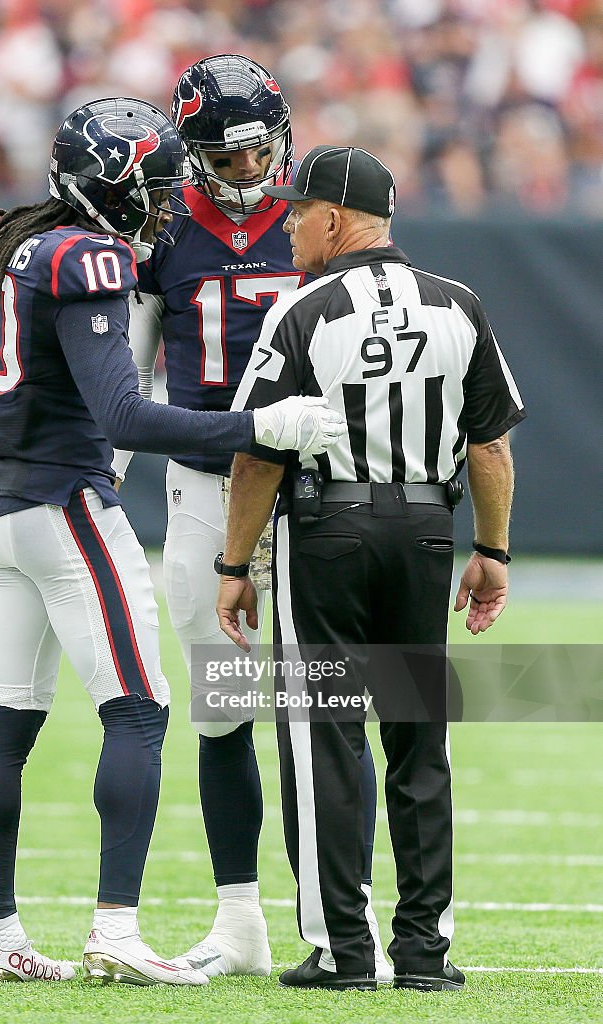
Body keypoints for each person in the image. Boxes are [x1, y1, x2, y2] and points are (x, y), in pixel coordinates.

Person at [0, 97, 346, 988]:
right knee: (139, 708)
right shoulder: (88, 254)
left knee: (7, 717)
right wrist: (259, 426)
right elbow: (124, 412)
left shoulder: (9, 245)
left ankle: (0, 935)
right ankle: (116, 931)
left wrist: (26, 453)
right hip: (63, 509)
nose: (164, 205)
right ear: (111, 186)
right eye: (154, 187)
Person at [216, 145, 525, 991]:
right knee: (419, 742)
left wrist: (232, 561)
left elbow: (257, 458)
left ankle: (342, 951)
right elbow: (490, 446)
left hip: (328, 533)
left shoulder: (304, 311)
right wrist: (490, 553)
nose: (285, 224)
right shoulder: (458, 304)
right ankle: (425, 952)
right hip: (426, 530)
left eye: (296, 210)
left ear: (334, 216)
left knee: (324, 737)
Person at [111, 55, 390, 981]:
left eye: (254, 155)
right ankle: (241, 920)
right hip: (202, 488)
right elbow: (127, 381)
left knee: (332, 710)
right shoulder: (165, 235)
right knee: (221, 709)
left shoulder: (317, 221)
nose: (244, 174)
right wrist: (99, 483)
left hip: (313, 488)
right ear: (190, 157)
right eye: (222, 161)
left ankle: (349, 922)